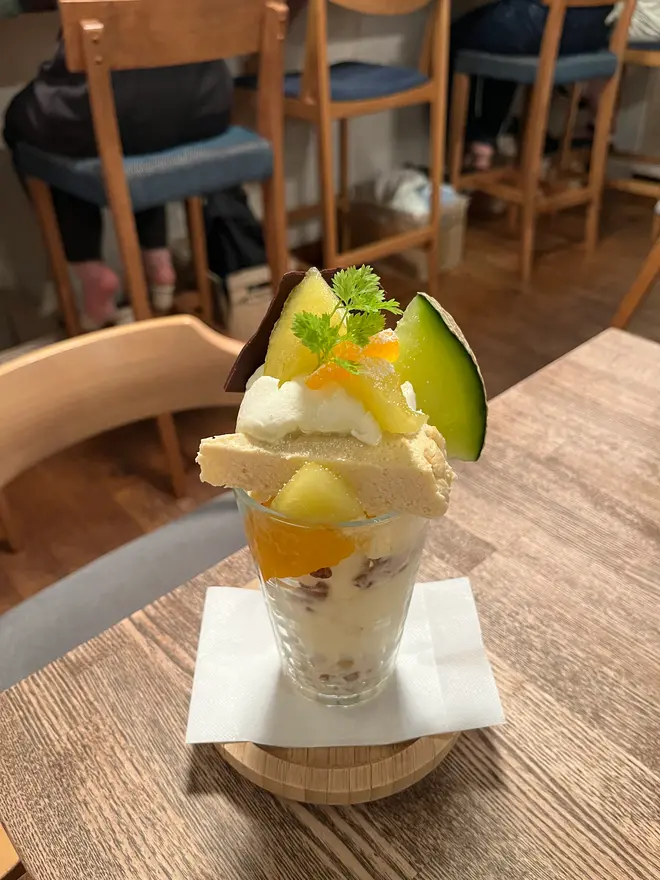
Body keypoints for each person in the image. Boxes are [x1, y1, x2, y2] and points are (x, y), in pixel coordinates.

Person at [1, 0, 233, 326]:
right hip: (208, 98)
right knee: (135, 115)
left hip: (120, 103)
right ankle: (157, 256)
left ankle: (90, 271)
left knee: (29, 122)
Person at [450, 0, 613, 171]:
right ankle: (483, 140)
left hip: (544, 26)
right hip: (594, 30)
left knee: (451, 37)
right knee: (500, 36)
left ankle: (466, 147)